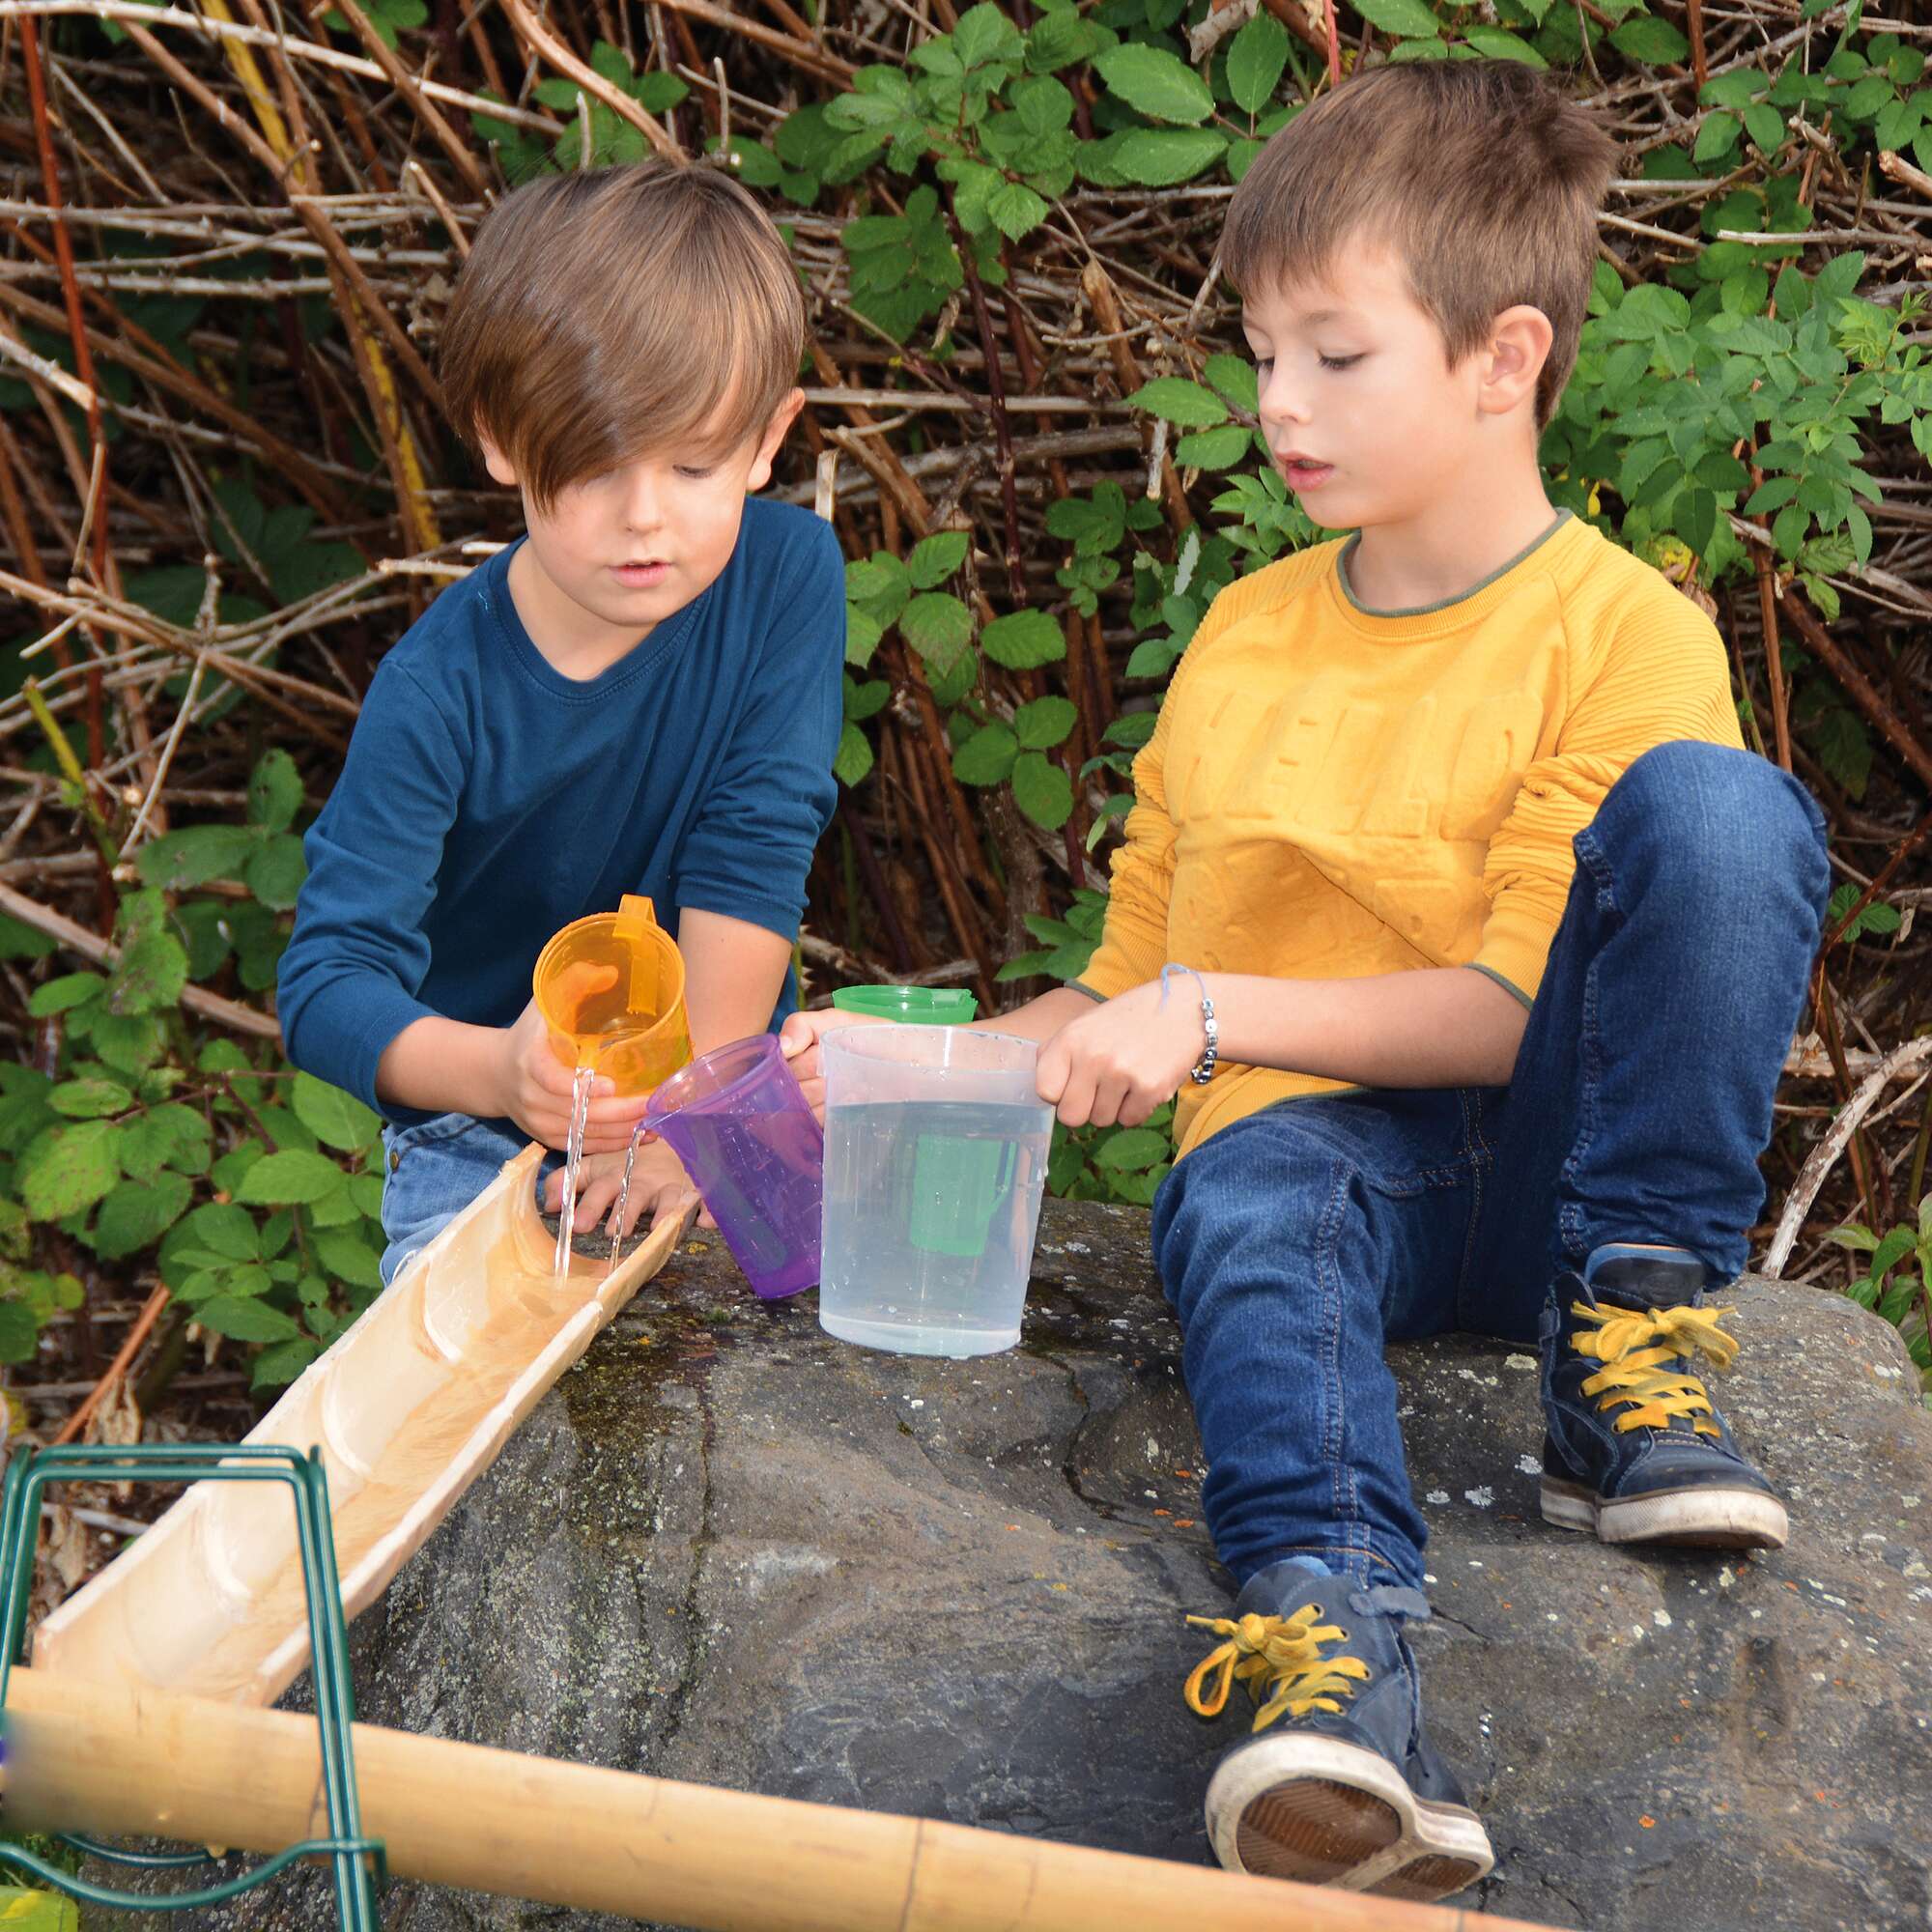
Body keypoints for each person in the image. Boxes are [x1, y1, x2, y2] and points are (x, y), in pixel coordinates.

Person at [782, 62, 1828, 1901]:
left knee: (1726, 818)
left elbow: (1499, 1016)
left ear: (1504, 359)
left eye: (1335, 356)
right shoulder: (1247, 642)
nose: (1275, 405)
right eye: (1263, 352)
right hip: (1331, 1180)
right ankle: (1338, 1686)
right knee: (1248, 1183)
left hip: (1564, 1175)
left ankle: (1632, 1371)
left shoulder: (1623, 632)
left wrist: (1207, 1014)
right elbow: (1123, 979)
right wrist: (906, 1057)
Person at [279, 162, 842, 1285]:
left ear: (769, 439)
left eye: (692, 463)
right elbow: (326, 983)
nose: (647, 518)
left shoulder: (786, 575)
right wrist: (499, 1072)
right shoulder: (437, 690)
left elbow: (754, 844)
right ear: (499, 439)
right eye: (591, 466)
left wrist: (706, 1115)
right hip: (485, 1132)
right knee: (475, 1416)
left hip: (724, 1067)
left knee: (816, 1350)